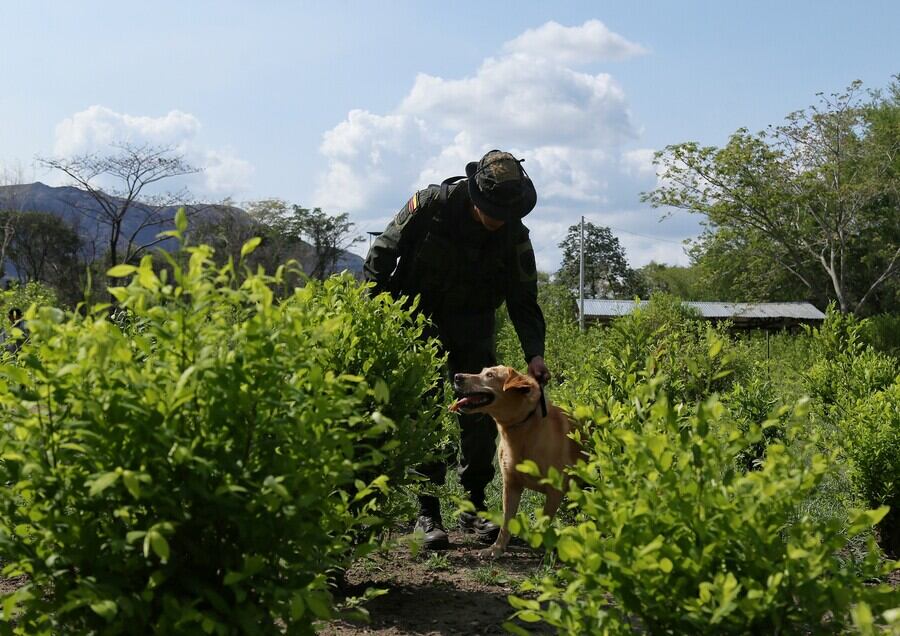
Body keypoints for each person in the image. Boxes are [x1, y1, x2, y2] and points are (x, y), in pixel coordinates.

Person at [364, 150, 550, 550]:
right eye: (492, 210)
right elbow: (380, 255)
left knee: (483, 414)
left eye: (506, 212)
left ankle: (474, 506)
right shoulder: (432, 205)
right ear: (475, 195)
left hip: (473, 325)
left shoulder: (514, 234)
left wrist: (535, 352)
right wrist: (378, 314)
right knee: (425, 414)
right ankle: (427, 512)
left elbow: (524, 299)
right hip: (417, 320)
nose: (497, 219)